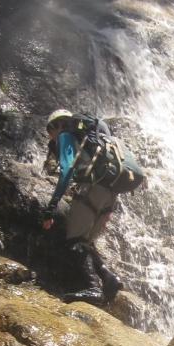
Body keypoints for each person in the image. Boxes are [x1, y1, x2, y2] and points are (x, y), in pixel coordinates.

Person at [41, 108, 125, 305]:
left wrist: (51, 208)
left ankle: (93, 288)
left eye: (50, 132)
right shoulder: (95, 137)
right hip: (111, 192)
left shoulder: (65, 135)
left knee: (75, 241)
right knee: (85, 242)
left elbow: (67, 171)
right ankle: (110, 279)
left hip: (92, 189)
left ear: (56, 126)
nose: (51, 138)